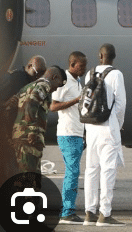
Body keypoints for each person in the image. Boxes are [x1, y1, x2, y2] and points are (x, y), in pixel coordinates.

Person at [83, 43, 127, 227]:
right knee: (108, 170)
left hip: (91, 126)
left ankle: (89, 213)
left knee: (91, 169)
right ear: (113, 57)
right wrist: (117, 124)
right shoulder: (116, 74)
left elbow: (86, 100)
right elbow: (121, 104)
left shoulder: (90, 74)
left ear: (100, 56)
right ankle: (105, 214)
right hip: (108, 127)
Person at [50, 52, 88, 224]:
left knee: (73, 172)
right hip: (68, 134)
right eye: (81, 66)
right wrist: (76, 100)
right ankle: (67, 211)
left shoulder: (77, 82)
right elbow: (53, 106)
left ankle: (68, 210)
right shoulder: (63, 82)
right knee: (72, 173)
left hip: (77, 133)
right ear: (72, 64)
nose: (84, 69)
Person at [11, 66, 67, 174]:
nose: (56, 89)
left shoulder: (27, 87)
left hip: (19, 137)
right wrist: (32, 130)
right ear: (54, 77)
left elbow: (10, 105)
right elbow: (31, 103)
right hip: (29, 139)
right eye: (58, 85)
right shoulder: (44, 86)